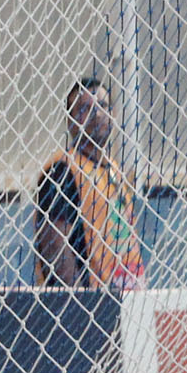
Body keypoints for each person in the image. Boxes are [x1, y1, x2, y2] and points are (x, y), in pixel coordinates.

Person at [34, 77, 147, 291]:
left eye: (102, 105)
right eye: (85, 108)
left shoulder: (115, 171)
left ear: (113, 114)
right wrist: (80, 302)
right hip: (91, 301)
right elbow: (55, 246)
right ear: (70, 121)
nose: (97, 114)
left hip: (127, 296)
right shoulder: (62, 171)